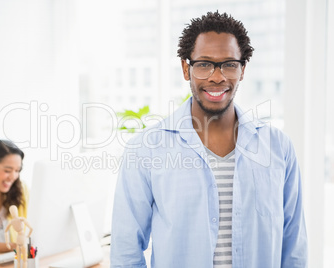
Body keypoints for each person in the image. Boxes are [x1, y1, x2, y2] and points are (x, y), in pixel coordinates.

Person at [110, 11, 307, 268]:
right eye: (203, 64)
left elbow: (294, 248)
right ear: (185, 68)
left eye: (229, 64)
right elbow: (126, 251)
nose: (217, 76)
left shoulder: (278, 148)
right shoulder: (147, 149)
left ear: (242, 69)